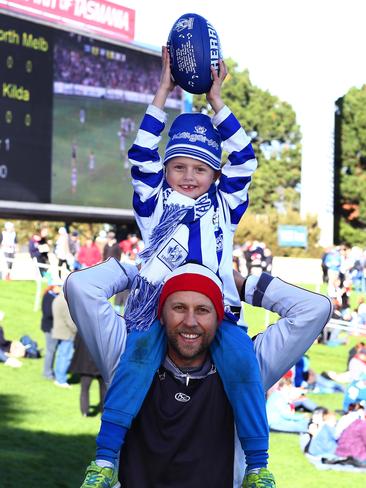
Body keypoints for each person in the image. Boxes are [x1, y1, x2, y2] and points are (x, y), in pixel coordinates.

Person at [78, 48, 272, 486]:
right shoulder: (153, 204)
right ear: (166, 170)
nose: (188, 175)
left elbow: (245, 160)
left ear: (214, 173)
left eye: (200, 168)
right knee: (135, 363)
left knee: (243, 368)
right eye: (178, 166)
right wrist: (162, 92)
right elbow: (141, 155)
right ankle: (106, 459)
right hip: (159, 314)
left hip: (217, 313)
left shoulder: (226, 203)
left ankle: (258, 466)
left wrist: (217, 101)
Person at [65, 259, 332, 487]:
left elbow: (314, 309)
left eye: (203, 310)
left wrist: (245, 286)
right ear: (161, 315)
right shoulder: (125, 354)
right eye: (179, 307)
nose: (190, 321)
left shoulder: (251, 365)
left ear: (219, 318)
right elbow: (80, 287)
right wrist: (145, 271)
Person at [69, 333, 107, 417]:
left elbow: (75, 344)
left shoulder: (82, 328)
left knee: (84, 389)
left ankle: (84, 412)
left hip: (85, 364)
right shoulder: (104, 329)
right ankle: (103, 410)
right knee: (104, 389)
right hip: (101, 364)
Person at [52, 290, 77, 388]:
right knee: (66, 356)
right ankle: (61, 380)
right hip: (67, 333)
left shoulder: (57, 299)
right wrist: (77, 330)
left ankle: (58, 377)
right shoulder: (65, 301)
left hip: (59, 331)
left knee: (60, 355)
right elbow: (69, 320)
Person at [40, 281, 63, 380]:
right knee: (51, 350)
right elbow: (48, 313)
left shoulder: (54, 296)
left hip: (54, 327)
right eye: (59, 286)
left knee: (53, 350)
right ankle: (47, 373)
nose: (61, 288)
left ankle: (49, 371)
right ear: (54, 286)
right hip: (50, 327)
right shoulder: (48, 296)